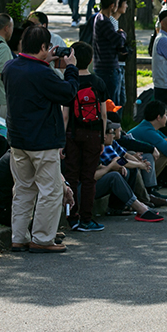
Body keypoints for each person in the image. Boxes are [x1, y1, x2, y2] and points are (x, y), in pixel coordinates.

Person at [3, 25, 79, 254]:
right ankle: (42, 239)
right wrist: (71, 68)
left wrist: (47, 60)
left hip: (17, 140)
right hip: (43, 142)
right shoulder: (42, 73)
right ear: (44, 47)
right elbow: (68, 92)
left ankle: (19, 237)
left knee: (23, 189)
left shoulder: (11, 67)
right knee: (50, 190)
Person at [61, 41, 108, 232]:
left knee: (71, 176)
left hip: (72, 133)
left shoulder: (70, 82)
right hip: (93, 134)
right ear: (90, 60)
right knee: (89, 177)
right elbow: (104, 114)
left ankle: (72, 217)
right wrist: (103, 138)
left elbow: (65, 114)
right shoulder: (98, 82)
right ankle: (87, 219)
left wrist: (62, 139)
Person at [93, 0, 127, 105]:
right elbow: (119, 41)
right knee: (112, 104)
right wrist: (122, 34)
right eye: (117, 3)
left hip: (104, 67)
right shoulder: (104, 21)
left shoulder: (99, 18)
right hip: (108, 69)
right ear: (112, 5)